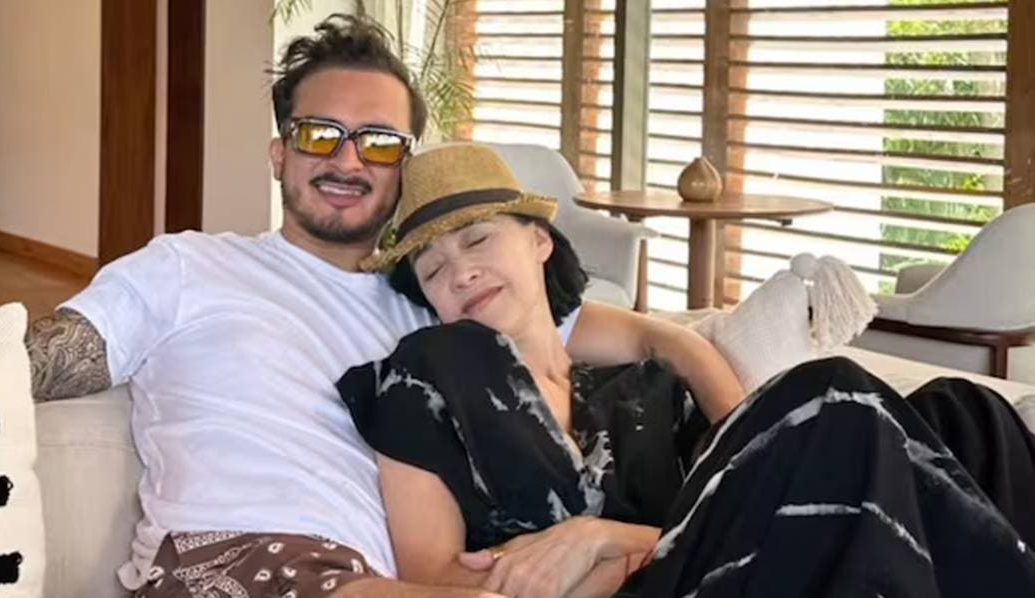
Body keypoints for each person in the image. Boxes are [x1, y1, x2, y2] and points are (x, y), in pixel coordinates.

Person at [24, 14, 743, 598]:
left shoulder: (444, 298)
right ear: (279, 155)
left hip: (383, 581)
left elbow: (637, 334)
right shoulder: (188, 268)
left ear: (403, 164)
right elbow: (37, 362)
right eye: (319, 135)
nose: (347, 161)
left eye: (378, 142)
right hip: (233, 560)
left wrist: (720, 415)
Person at [338, 143, 1035, 598]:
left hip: (723, 551)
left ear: (540, 241)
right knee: (833, 398)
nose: (460, 272)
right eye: (432, 269)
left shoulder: (623, 379)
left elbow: (680, 365)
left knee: (966, 412)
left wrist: (607, 537)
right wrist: (599, 559)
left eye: (478, 240)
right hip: (666, 585)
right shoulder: (425, 375)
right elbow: (431, 576)